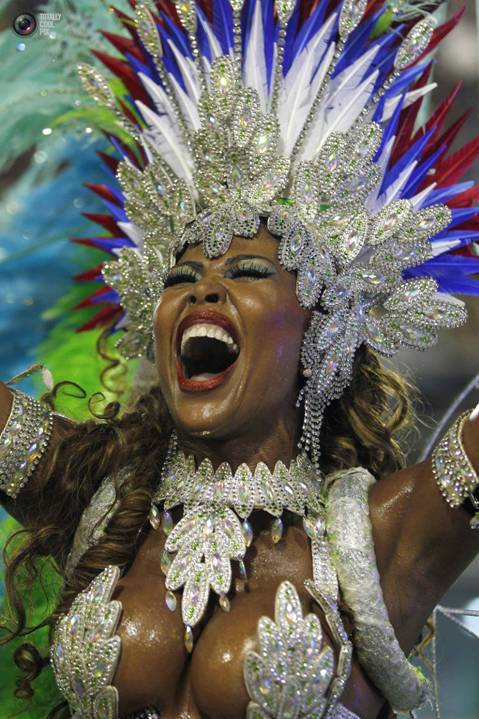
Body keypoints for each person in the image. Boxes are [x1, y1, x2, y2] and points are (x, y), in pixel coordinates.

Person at [1, 1, 479, 718]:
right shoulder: (92, 492)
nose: (204, 290)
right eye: (179, 277)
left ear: (324, 327)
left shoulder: (382, 537)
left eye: (250, 273)